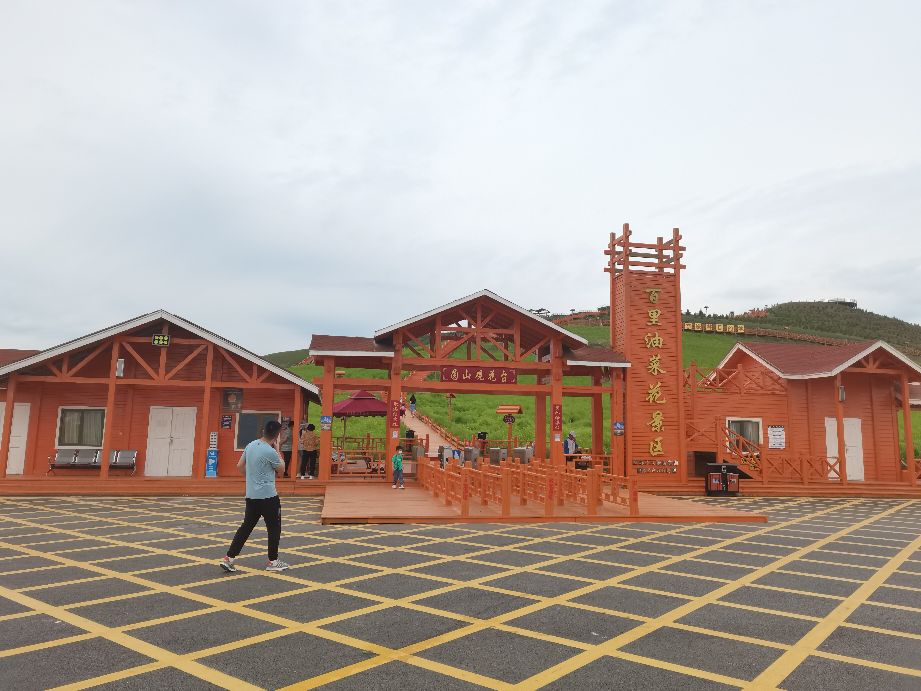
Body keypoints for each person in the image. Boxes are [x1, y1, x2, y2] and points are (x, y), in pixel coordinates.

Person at [220, 419, 290, 572]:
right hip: (268, 497)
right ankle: (273, 561)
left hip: (251, 495)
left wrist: (252, 477)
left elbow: (240, 466)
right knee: (274, 528)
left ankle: (229, 558)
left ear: (263, 431)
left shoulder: (250, 445)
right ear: (277, 435)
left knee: (246, 527)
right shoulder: (270, 452)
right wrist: (278, 449)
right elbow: (281, 470)